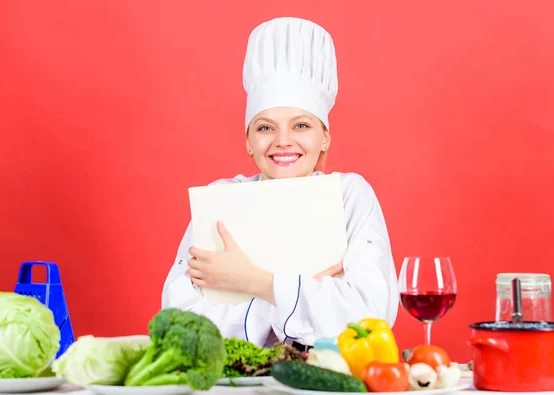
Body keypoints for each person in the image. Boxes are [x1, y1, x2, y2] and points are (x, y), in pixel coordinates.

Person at [161, 17, 399, 350]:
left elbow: (368, 316)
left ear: (325, 137)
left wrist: (251, 281)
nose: (283, 141)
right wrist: (302, 293)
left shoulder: (349, 195)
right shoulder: (220, 200)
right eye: (265, 128)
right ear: (248, 141)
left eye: (301, 126)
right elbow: (179, 322)